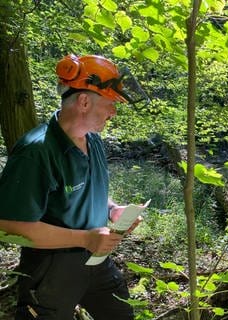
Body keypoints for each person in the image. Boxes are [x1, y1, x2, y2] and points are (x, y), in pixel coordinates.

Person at [0, 54, 140, 320]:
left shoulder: (93, 139)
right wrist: (85, 238)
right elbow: (7, 226)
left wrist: (112, 210)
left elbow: (85, 187)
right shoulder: (36, 152)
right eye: (110, 104)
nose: (114, 113)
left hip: (97, 262)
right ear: (84, 101)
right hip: (50, 270)